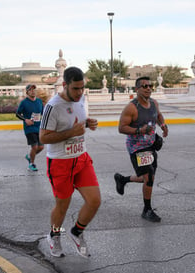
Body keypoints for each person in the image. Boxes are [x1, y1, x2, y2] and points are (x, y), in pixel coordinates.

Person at [40, 67, 101, 258]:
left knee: (94, 201)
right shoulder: (53, 106)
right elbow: (43, 137)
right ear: (64, 85)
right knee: (62, 206)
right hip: (60, 162)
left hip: (81, 158)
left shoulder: (81, 100)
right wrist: (70, 133)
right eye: (75, 88)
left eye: (82, 88)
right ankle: (54, 235)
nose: (79, 92)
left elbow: (78, 121)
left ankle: (76, 232)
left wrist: (88, 123)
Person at [114, 76, 168, 222]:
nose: (148, 88)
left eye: (150, 85)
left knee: (147, 177)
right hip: (137, 146)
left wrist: (163, 126)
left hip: (150, 144)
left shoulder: (153, 103)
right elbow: (121, 128)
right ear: (137, 89)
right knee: (149, 177)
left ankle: (122, 179)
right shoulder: (131, 107)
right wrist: (140, 130)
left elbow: (159, 116)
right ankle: (147, 209)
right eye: (144, 86)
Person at [16, 84, 44, 171]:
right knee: (34, 147)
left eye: (34, 89)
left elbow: (42, 113)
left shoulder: (39, 101)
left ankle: (29, 156)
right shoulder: (24, 102)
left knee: (41, 147)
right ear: (27, 92)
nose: (33, 91)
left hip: (38, 127)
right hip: (29, 128)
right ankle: (31, 164)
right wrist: (25, 120)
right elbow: (17, 114)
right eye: (30, 90)